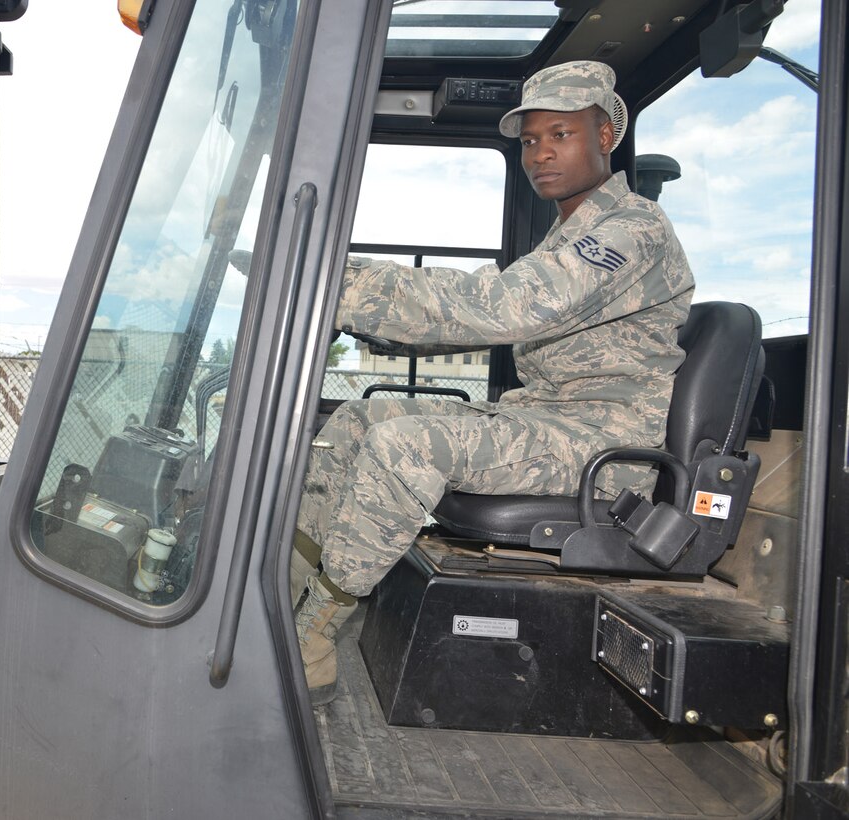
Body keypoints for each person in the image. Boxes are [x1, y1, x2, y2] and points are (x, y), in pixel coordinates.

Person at [292, 60, 695, 705]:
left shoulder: (633, 230)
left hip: (604, 448)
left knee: (409, 446)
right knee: (359, 420)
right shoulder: (568, 236)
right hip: (543, 420)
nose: (541, 153)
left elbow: (510, 307)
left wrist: (346, 285)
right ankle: (289, 587)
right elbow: (494, 321)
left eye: (561, 134)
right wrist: (389, 329)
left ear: (607, 136)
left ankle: (310, 641)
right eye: (531, 140)